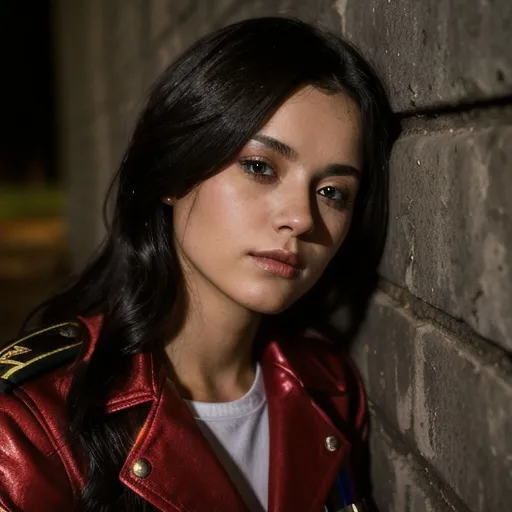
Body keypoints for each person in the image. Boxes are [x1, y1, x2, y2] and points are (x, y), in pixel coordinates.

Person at [0, 16, 395, 512]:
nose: (300, 217)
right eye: (259, 167)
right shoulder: (27, 429)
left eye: (332, 192)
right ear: (173, 170)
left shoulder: (328, 390)